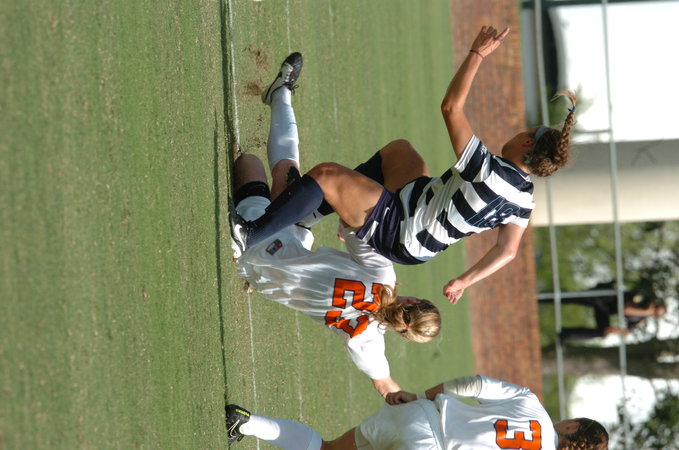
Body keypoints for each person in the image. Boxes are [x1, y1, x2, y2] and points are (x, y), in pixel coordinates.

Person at [230, 25, 578, 304]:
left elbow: (451, 108)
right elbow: (508, 250)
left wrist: (477, 54)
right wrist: (463, 281)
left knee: (327, 174)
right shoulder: (524, 198)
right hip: (419, 228)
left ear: (528, 143)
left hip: (402, 228)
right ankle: (306, 216)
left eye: (525, 131)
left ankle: (249, 234)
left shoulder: (488, 171)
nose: (519, 132)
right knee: (401, 152)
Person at [231, 52, 441, 399]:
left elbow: (353, 222)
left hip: (259, 241)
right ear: (403, 334)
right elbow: (386, 386)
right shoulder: (368, 341)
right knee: (288, 196)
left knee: (258, 165)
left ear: (414, 299)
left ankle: (281, 95)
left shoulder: (384, 277)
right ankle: (281, 97)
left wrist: (353, 220)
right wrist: (412, 403)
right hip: (264, 271)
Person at [225, 373, 609, 449]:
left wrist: (418, 395)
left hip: (421, 414)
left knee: (327, 449)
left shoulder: (531, 403)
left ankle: (247, 422)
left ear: (572, 426)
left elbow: (474, 384)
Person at [540, 281, 668, 341]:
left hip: (605, 310)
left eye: (655, 314)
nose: (652, 311)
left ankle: (566, 334)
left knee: (602, 333)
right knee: (570, 298)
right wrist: (646, 312)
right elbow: (625, 310)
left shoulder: (641, 319)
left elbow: (627, 331)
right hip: (603, 298)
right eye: (655, 308)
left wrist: (616, 331)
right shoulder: (641, 298)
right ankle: (541, 298)